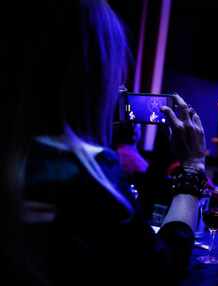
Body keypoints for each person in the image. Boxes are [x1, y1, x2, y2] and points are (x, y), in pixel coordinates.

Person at [4, 1, 207, 285]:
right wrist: (193, 167)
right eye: (116, 75)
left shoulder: (23, 153)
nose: (120, 90)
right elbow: (162, 270)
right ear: (93, 76)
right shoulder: (90, 169)